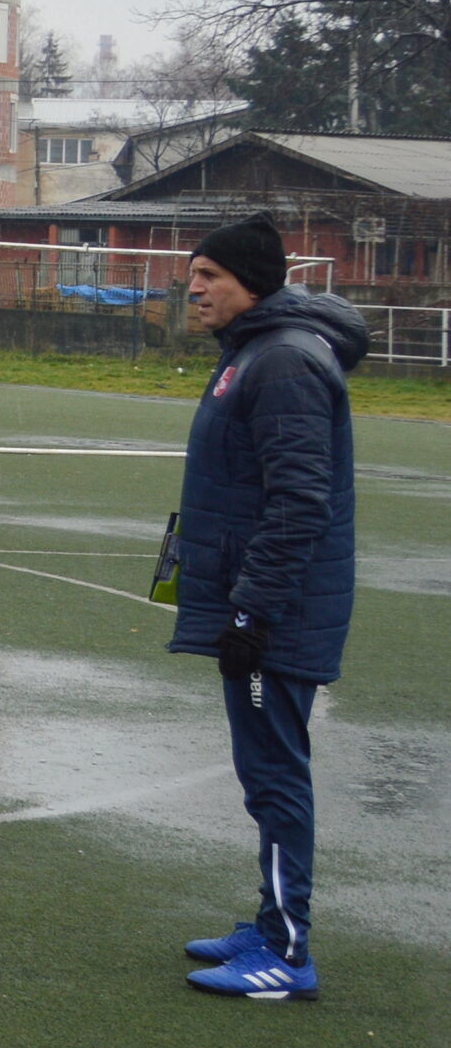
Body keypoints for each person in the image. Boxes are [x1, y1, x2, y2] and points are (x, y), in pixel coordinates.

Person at [172, 212, 367, 1001]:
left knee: (276, 772)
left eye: (210, 276)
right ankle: (270, 919)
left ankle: (287, 952)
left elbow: (298, 504)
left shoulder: (283, 361)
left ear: (252, 282)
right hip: (258, 602)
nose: (194, 287)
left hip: (278, 612)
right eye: (194, 273)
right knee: (264, 769)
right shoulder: (255, 353)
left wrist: (252, 613)